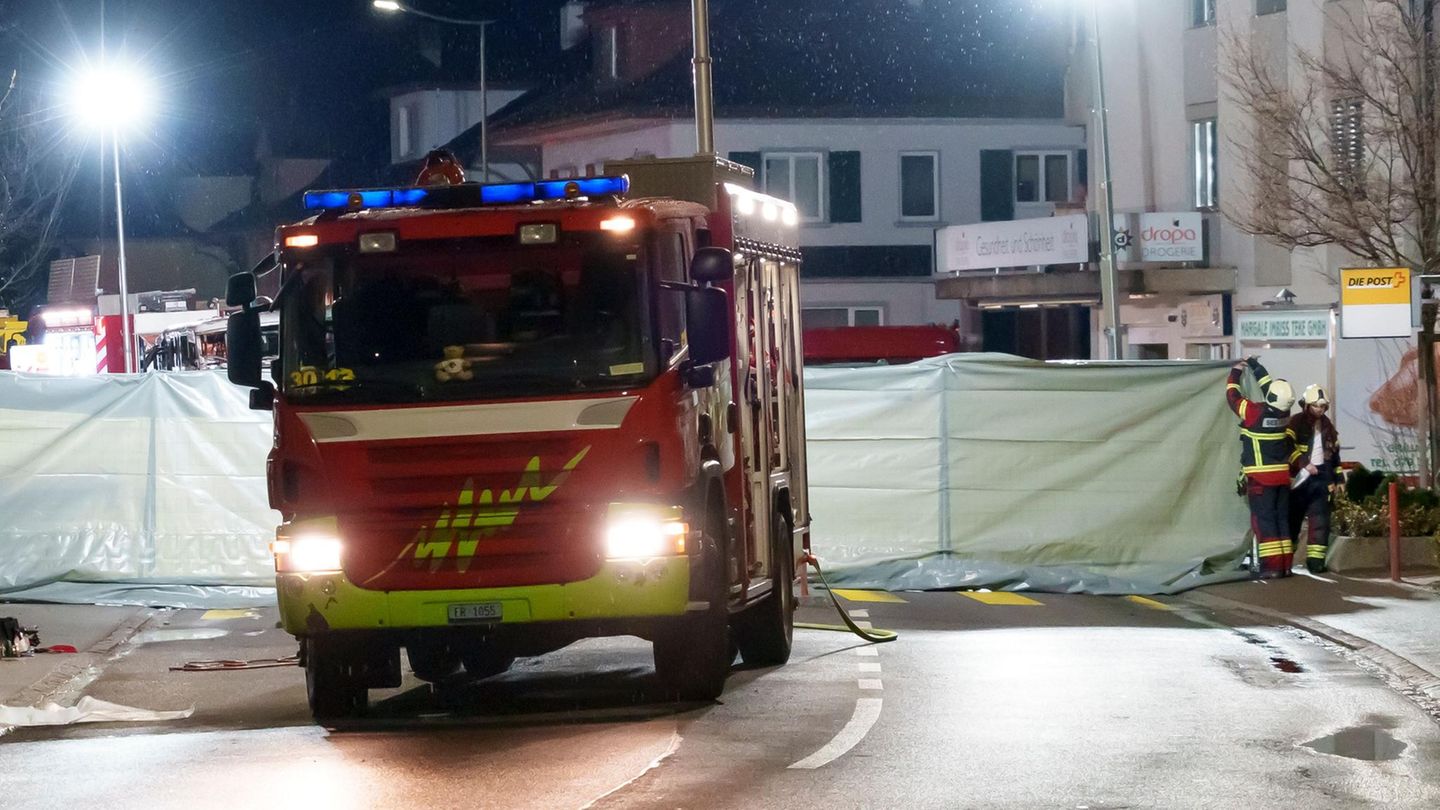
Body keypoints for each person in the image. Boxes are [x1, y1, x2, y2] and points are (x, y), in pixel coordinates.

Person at [1225, 356, 1297, 578]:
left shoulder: (1254, 412)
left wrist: (1236, 371)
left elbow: (1232, 396)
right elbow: (1269, 389)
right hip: (1282, 477)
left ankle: (1272, 568)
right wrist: (1256, 367)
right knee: (1281, 520)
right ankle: (1285, 566)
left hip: (1261, 480)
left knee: (1264, 522)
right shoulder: (1285, 414)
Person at [1288, 384, 1341, 574]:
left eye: (1323, 406)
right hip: (1300, 479)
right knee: (1292, 520)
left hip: (1322, 478)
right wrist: (1304, 463)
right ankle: (1286, 560)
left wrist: (1338, 479)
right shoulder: (1296, 422)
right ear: (1306, 405)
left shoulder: (1328, 426)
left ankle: (1316, 562)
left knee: (1320, 521)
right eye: (1316, 406)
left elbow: (1334, 454)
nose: (1320, 409)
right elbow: (1287, 446)